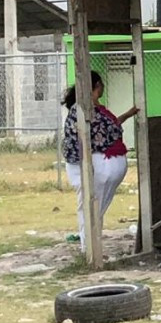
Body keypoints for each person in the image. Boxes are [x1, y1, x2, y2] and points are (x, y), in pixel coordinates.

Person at [62, 70, 140, 249]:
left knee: (95, 208)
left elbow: (110, 127)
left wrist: (128, 114)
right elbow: (94, 137)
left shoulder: (96, 109)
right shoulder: (83, 109)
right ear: (97, 85)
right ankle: (88, 247)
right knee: (90, 207)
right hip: (93, 165)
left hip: (104, 165)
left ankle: (90, 245)